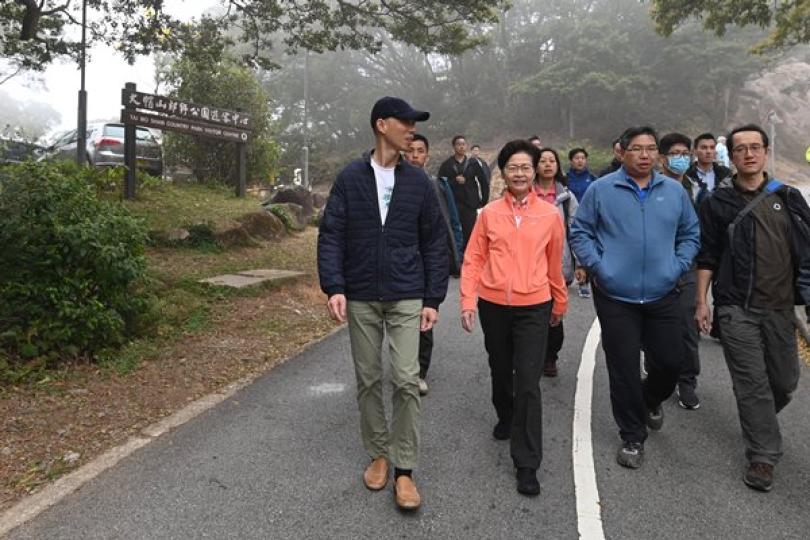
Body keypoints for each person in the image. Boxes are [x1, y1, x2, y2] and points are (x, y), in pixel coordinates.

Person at [317, 97, 448, 511]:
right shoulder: (351, 178)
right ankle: (379, 454)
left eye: (414, 123)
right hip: (360, 293)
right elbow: (332, 234)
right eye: (405, 122)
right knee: (369, 377)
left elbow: (435, 242)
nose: (412, 129)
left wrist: (433, 298)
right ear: (381, 124)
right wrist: (334, 285)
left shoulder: (419, 183)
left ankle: (405, 469)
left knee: (407, 379)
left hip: (408, 291)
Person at [570, 126, 700, 469]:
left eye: (651, 149)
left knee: (671, 362)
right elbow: (580, 231)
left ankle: (650, 397)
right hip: (615, 296)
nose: (645, 155)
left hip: (663, 292)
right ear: (622, 152)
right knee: (623, 367)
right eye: (637, 148)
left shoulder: (674, 192)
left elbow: (690, 233)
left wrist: (679, 265)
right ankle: (632, 434)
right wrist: (599, 267)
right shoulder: (601, 190)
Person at [695, 124, 810, 492]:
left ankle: (759, 421)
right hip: (735, 308)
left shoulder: (789, 198)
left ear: (765, 151)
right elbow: (708, 255)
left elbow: (806, 256)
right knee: (753, 385)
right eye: (741, 148)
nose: (748, 153)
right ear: (734, 155)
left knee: (785, 382)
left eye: (755, 147)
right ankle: (762, 455)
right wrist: (702, 301)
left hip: (779, 309)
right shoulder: (718, 203)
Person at [460, 139, 567, 496]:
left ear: (534, 170)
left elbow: (554, 262)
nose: (519, 173)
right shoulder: (489, 213)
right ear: (503, 173)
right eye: (512, 167)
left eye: (525, 167)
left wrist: (559, 303)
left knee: (528, 382)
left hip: (534, 305)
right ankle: (505, 415)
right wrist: (467, 302)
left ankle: (526, 462)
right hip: (493, 305)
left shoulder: (550, 215)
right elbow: (474, 259)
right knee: (500, 368)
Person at [404, 133, 462, 396]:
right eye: (410, 150)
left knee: (423, 318)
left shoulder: (436, 185)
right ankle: (404, 366)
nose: (415, 155)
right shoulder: (392, 185)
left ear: (427, 156)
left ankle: (419, 372)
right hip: (402, 262)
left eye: (420, 151)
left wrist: (454, 256)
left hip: (426, 263)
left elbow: (449, 222)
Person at [657, 133, 705, 410]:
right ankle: (658, 370)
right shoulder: (650, 188)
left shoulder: (697, 190)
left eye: (686, 153)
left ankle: (687, 379)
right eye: (676, 153)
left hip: (687, 267)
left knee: (687, 326)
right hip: (655, 267)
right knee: (655, 326)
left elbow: (704, 231)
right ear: (663, 158)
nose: (682, 158)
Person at [534, 147, 582, 377]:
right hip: (529, 266)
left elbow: (577, 230)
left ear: (558, 166)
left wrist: (581, 263)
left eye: (551, 160)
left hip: (557, 265)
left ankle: (550, 356)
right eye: (542, 161)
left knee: (554, 314)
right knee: (531, 315)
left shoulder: (566, 198)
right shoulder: (525, 194)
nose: (547, 164)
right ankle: (530, 356)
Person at [438, 135, 489, 251]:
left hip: (469, 203)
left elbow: (483, 181)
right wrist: (454, 181)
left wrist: (484, 200)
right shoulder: (447, 165)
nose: (461, 147)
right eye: (458, 144)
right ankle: (456, 255)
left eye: (463, 144)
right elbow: (440, 183)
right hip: (453, 202)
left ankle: (469, 256)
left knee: (470, 231)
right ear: (454, 146)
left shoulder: (473, 163)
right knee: (453, 231)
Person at [566, 147, 596, 299]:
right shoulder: (565, 180)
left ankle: (584, 283)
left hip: (587, 220)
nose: (580, 161)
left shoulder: (592, 179)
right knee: (567, 250)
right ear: (571, 161)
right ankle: (567, 277)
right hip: (568, 219)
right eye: (577, 158)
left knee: (583, 250)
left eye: (583, 158)